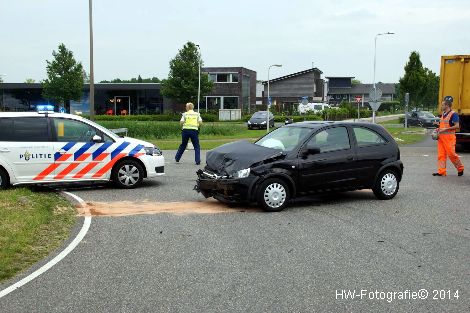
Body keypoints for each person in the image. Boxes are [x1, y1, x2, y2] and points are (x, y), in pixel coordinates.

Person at [433, 96, 464, 176]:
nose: (441, 106)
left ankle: (460, 168)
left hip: (449, 138)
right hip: (441, 138)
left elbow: (457, 126)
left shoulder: (454, 114)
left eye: (443, 105)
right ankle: (441, 171)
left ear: (447, 105)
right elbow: (443, 125)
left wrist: (444, 130)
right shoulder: (443, 114)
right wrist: (438, 127)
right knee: (441, 155)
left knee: (451, 154)